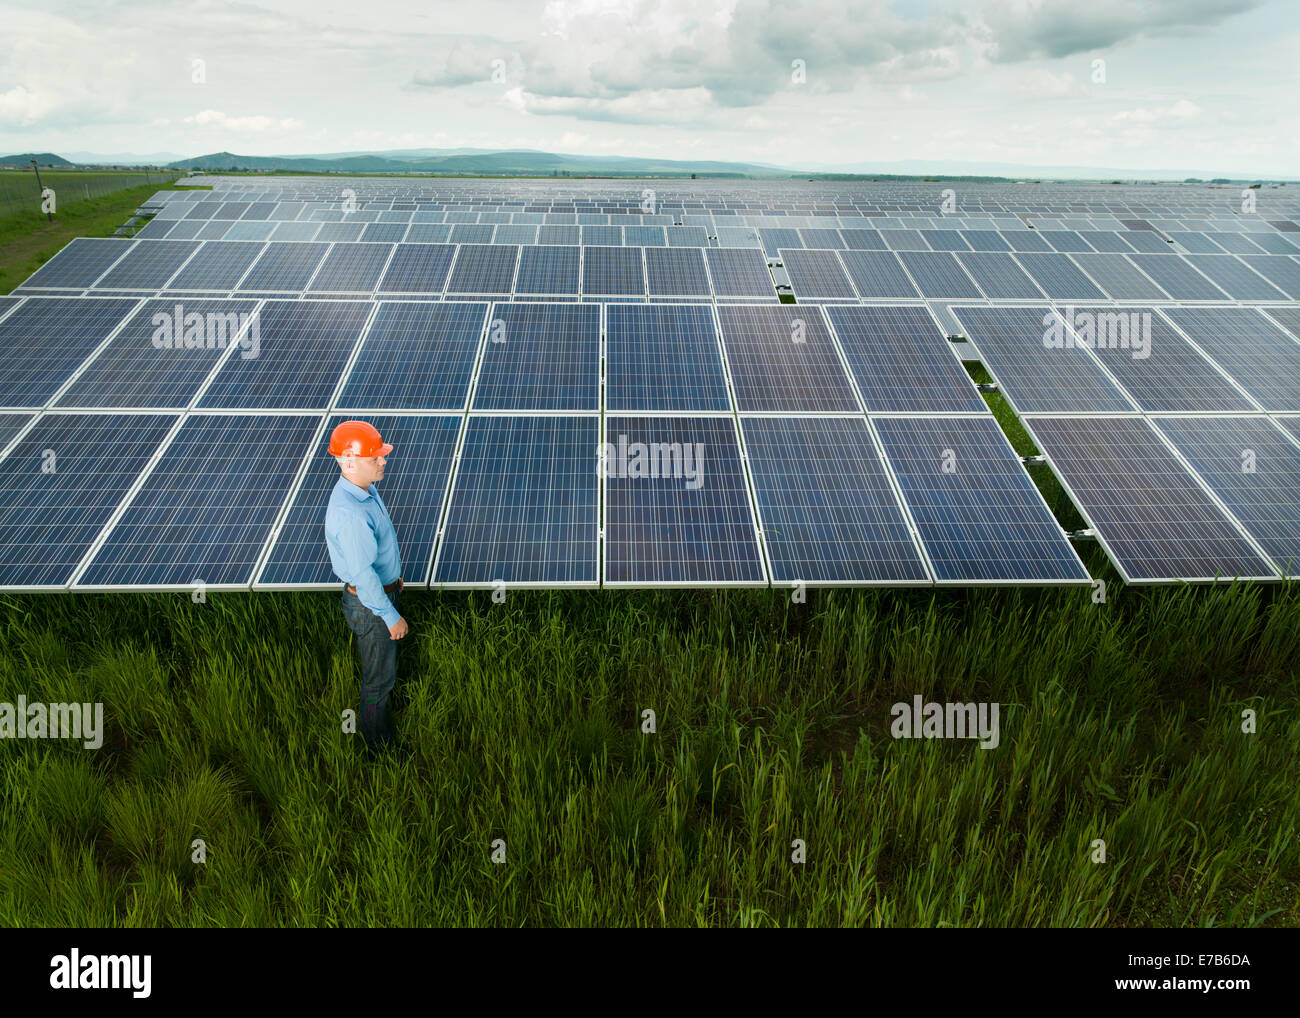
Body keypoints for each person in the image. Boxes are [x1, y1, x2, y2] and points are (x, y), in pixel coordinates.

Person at [323, 420, 407, 756]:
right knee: (378, 682)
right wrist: (390, 616)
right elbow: (364, 574)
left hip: (381, 594)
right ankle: (378, 749)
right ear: (348, 461)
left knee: (383, 671)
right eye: (376, 458)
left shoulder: (363, 490)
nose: (383, 461)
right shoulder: (351, 514)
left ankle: (379, 730)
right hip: (372, 606)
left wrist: (394, 577)